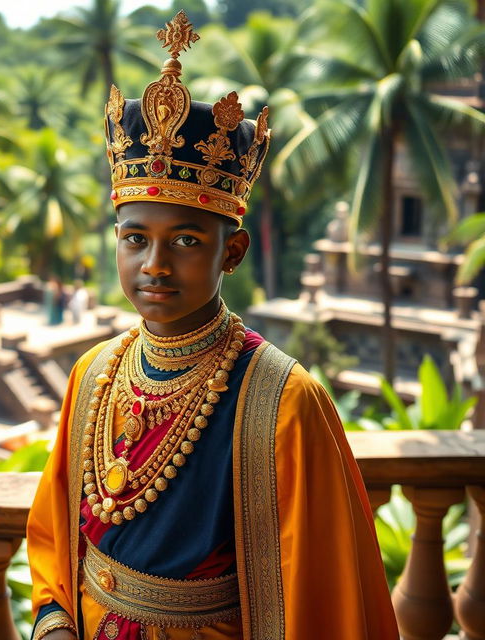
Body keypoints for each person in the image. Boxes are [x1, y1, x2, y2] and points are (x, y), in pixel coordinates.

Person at [27, 12, 398, 640]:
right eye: (135, 238)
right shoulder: (92, 376)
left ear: (233, 252)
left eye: (188, 241)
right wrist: (54, 619)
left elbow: (319, 595)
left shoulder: (285, 402)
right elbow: (54, 542)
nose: (155, 266)